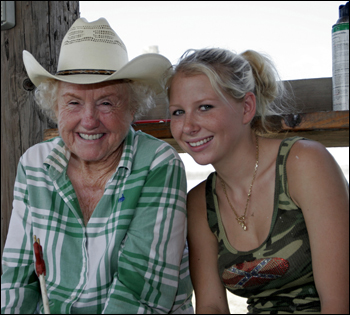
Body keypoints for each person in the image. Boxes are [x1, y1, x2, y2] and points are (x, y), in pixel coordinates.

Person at [1, 18, 193, 314]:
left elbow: (141, 292)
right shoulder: (34, 165)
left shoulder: (158, 163)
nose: (89, 120)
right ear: (55, 107)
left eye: (106, 103)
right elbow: (15, 280)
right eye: (73, 103)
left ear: (132, 107)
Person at [166, 48, 349, 314]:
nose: (188, 126)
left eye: (205, 107)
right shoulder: (199, 204)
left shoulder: (304, 164)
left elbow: (338, 303)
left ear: (246, 108)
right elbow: (211, 306)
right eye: (178, 112)